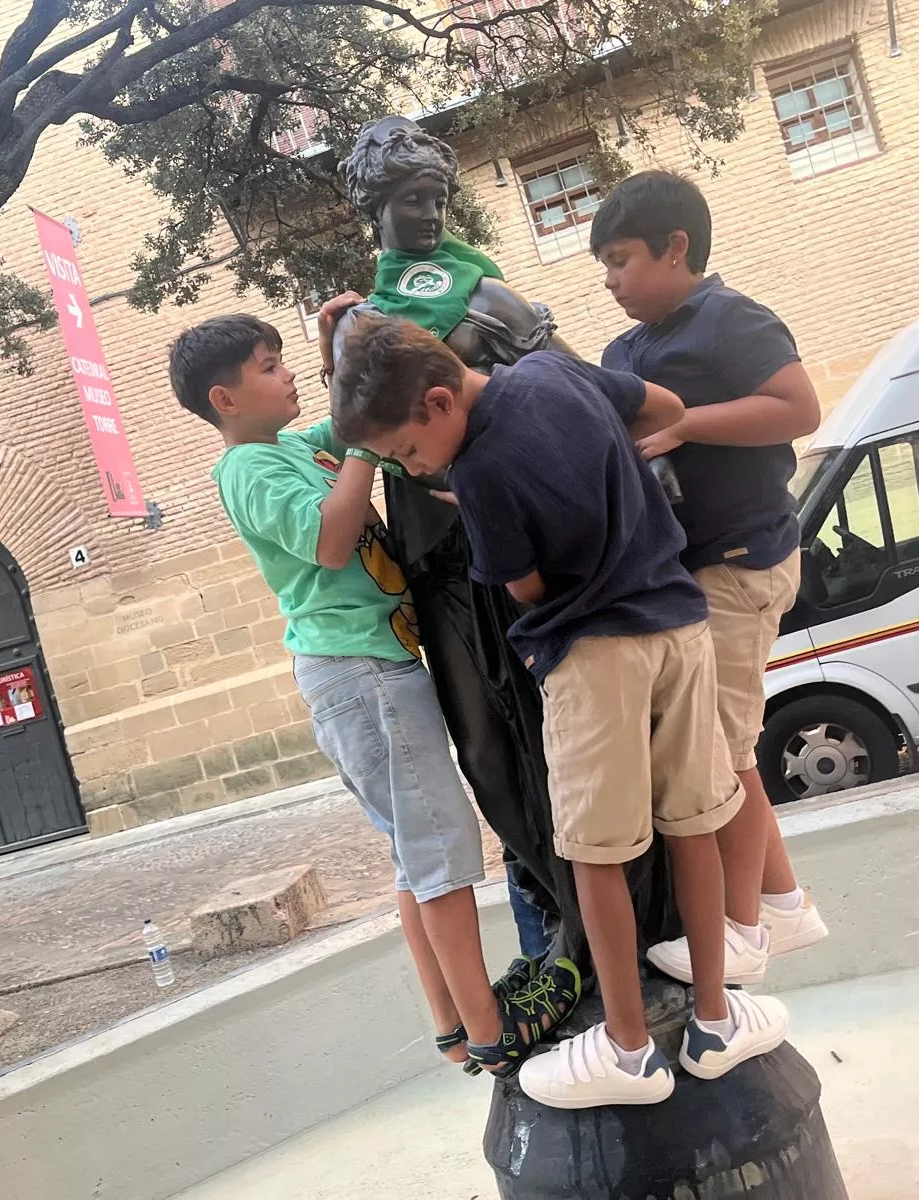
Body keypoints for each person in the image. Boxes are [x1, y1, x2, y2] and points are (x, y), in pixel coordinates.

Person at [331, 317, 789, 1108]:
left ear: (439, 402)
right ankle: (715, 1019)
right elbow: (663, 406)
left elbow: (526, 587)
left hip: (594, 652)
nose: (412, 468)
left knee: (595, 851)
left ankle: (628, 1050)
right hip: (678, 624)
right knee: (693, 822)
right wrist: (596, 468)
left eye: (406, 451)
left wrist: (492, 498)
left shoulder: (479, 474)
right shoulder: (556, 373)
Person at [169, 314, 580, 1077]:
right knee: (441, 849)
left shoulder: (294, 445)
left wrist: (344, 351)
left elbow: (357, 413)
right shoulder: (247, 470)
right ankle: (493, 1033)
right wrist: (361, 445)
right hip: (361, 672)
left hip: (372, 665)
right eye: (269, 366)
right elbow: (331, 539)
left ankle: (452, 1025)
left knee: (413, 855)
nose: (287, 373)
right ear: (224, 398)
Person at [320, 116, 679, 979]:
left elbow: (583, 394)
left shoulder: (486, 297)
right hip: (434, 563)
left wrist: (644, 488)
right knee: (484, 753)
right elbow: (356, 437)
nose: (429, 215)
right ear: (374, 208)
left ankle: (623, 933)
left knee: (558, 738)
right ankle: (567, 918)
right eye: (412, 200)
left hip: (514, 549)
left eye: (437, 197)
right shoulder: (355, 325)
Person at [590, 171, 829, 985]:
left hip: (740, 562)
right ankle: (785, 905)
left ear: (676, 247)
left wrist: (686, 425)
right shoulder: (624, 353)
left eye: (621, 259)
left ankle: (743, 935)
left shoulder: (732, 318)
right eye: (604, 266)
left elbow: (798, 409)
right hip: (686, 575)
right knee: (727, 747)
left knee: (722, 755)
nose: (611, 280)